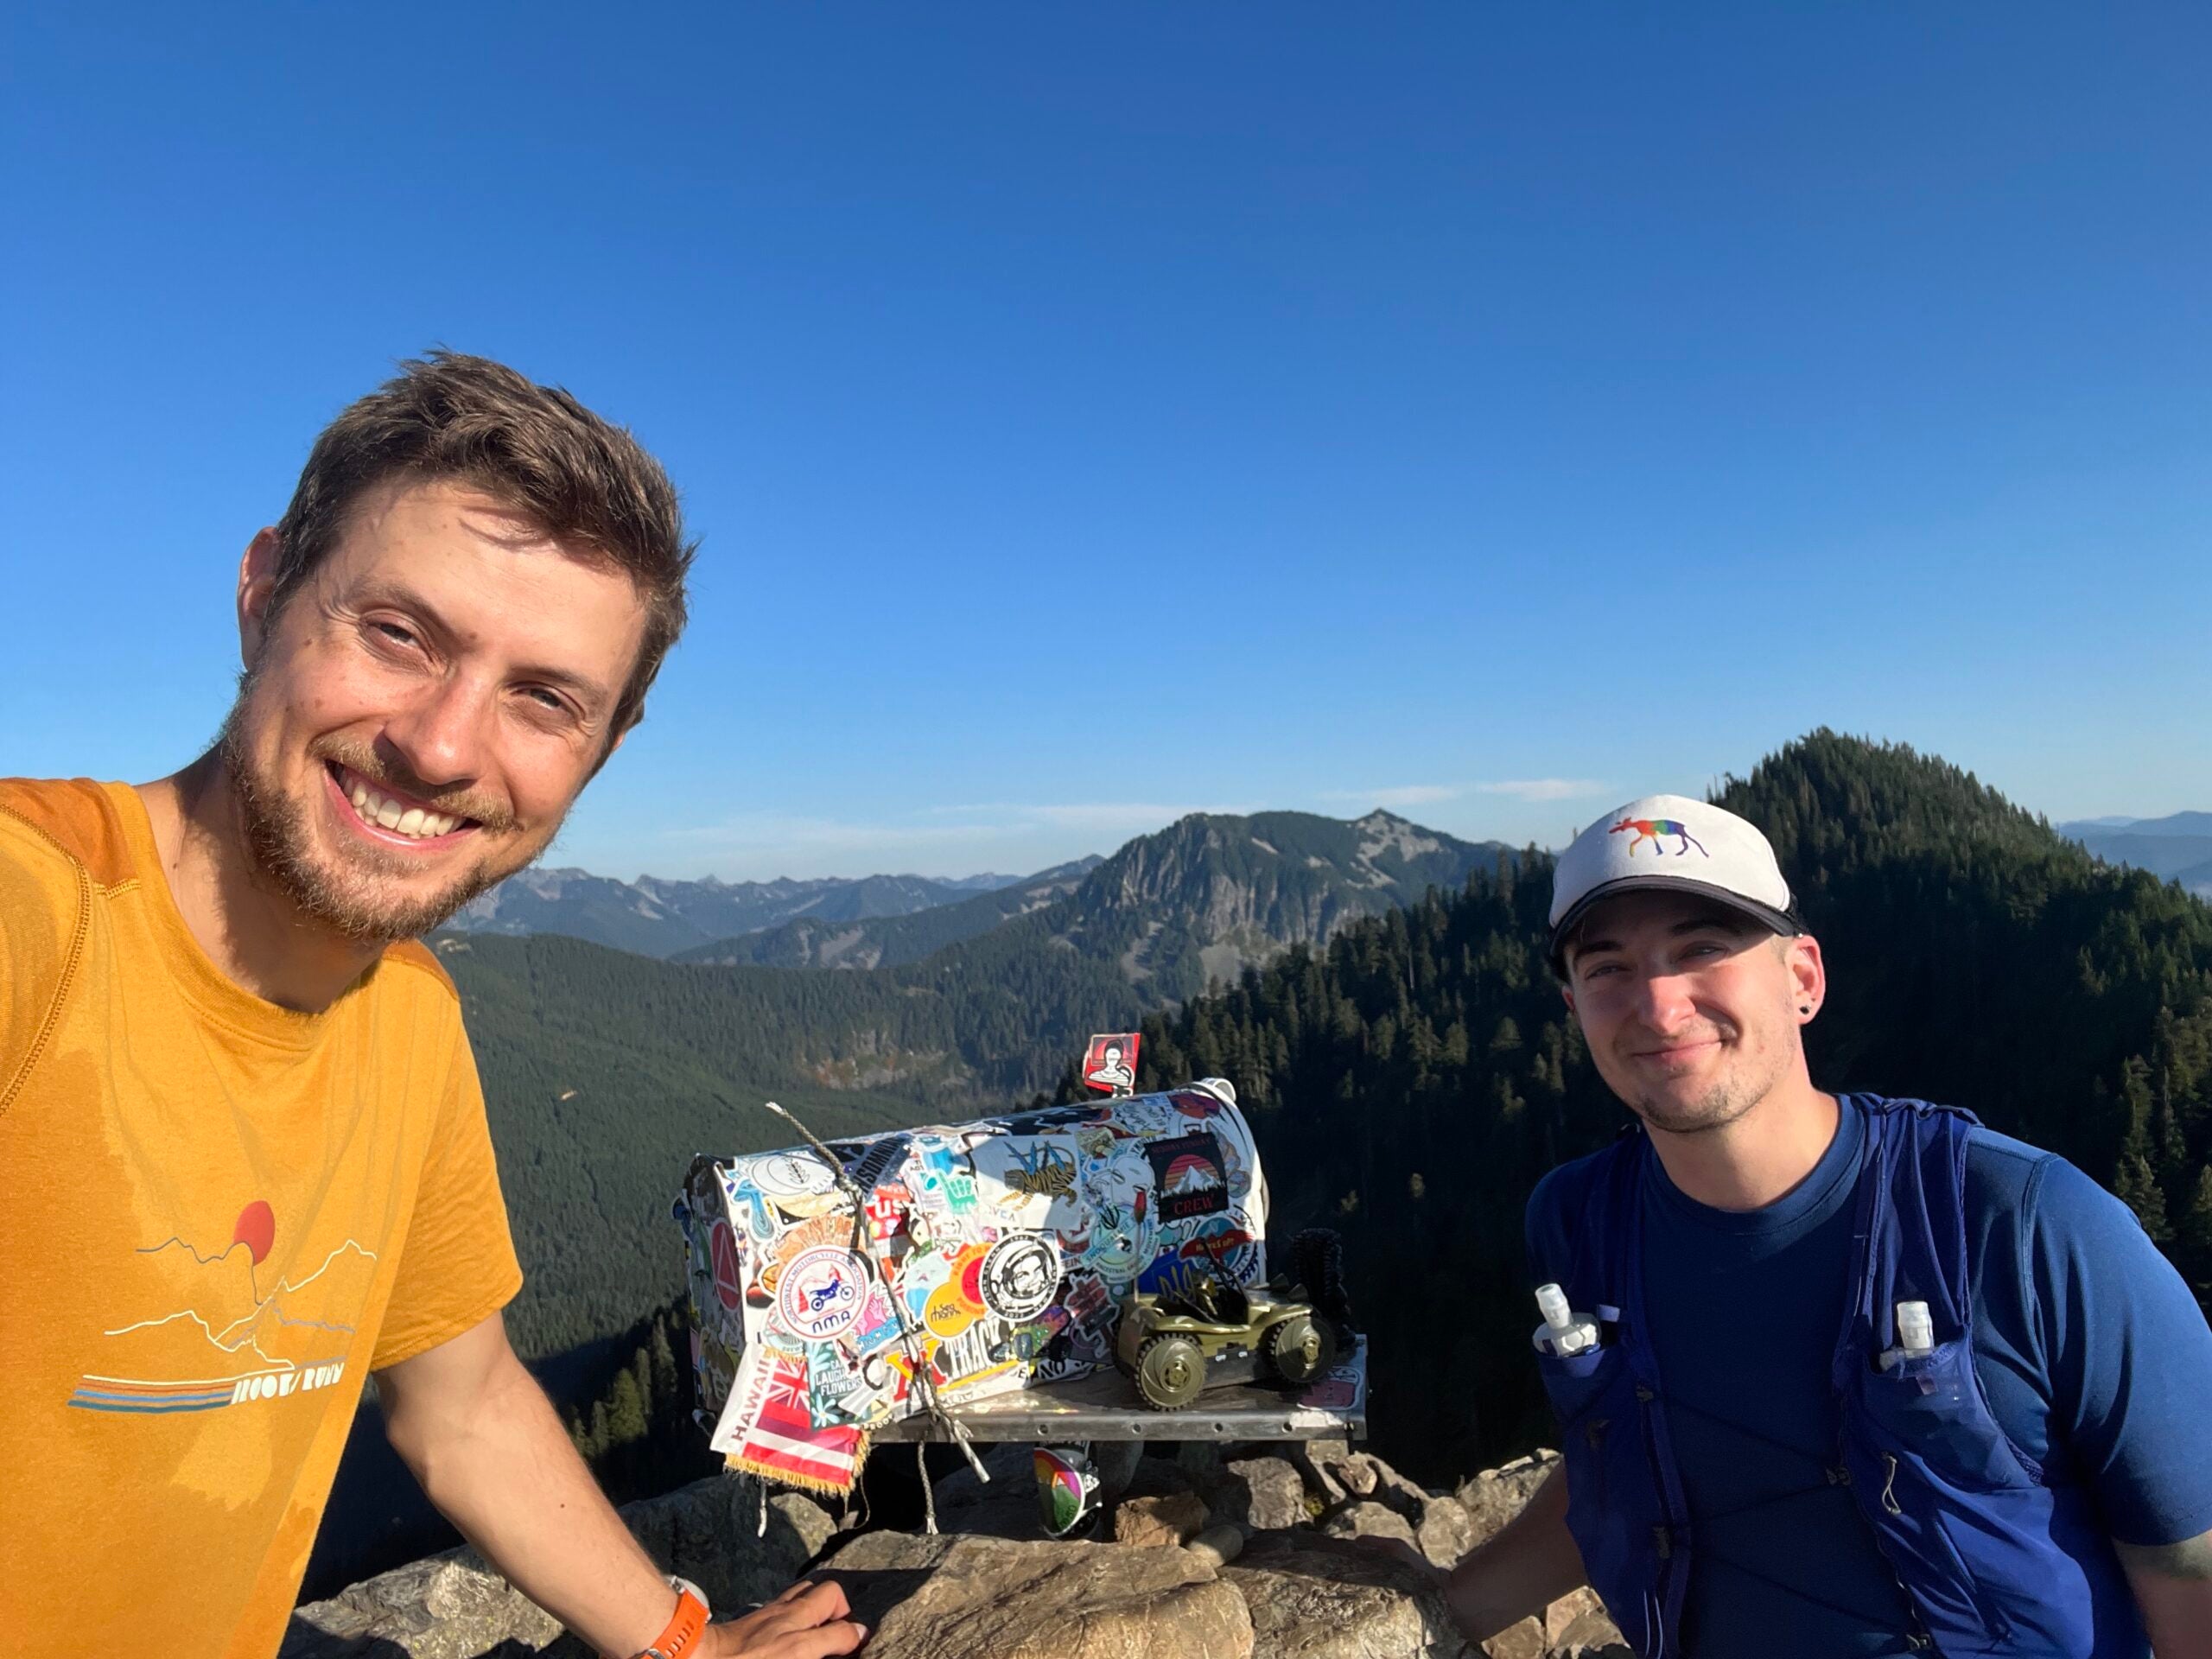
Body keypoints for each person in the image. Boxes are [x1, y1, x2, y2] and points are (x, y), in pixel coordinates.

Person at [0, 353, 866, 1659]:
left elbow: (458, 1407)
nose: (447, 746)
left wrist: (686, 1643)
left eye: (544, 698)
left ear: (607, 745)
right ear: (262, 594)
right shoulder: (41, 917)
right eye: (400, 633)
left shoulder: (407, 1016)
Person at [1435, 794, 2212, 1658]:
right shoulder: (1580, 1224)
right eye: (1607, 967)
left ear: (1801, 977)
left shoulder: (2026, 1223)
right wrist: (1419, 1621)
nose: (1656, 1005)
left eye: (1702, 949)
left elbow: (2193, 1573)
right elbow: (1616, 1484)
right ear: (1573, 1005)